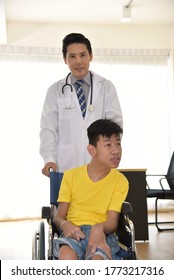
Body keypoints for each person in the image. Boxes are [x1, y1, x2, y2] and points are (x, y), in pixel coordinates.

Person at [40, 33, 123, 176]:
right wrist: (49, 159)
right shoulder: (55, 91)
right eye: (72, 56)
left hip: (99, 165)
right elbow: (48, 128)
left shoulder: (106, 87)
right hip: (66, 165)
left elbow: (115, 126)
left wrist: (110, 153)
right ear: (65, 59)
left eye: (83, 55)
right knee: (66, 198)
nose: (78, 61)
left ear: (91, 55)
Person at [53, 119, 128, 260]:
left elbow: (112, 221)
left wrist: (98, 228)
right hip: (74, 233)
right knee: (66, 256)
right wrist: (65, 225)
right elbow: (59, 216)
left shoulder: (120, 181)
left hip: (103, 234)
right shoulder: (71, 176)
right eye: (108, 145)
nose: (116, 150)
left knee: (97, 261)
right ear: (92, 150)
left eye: (118, 143)